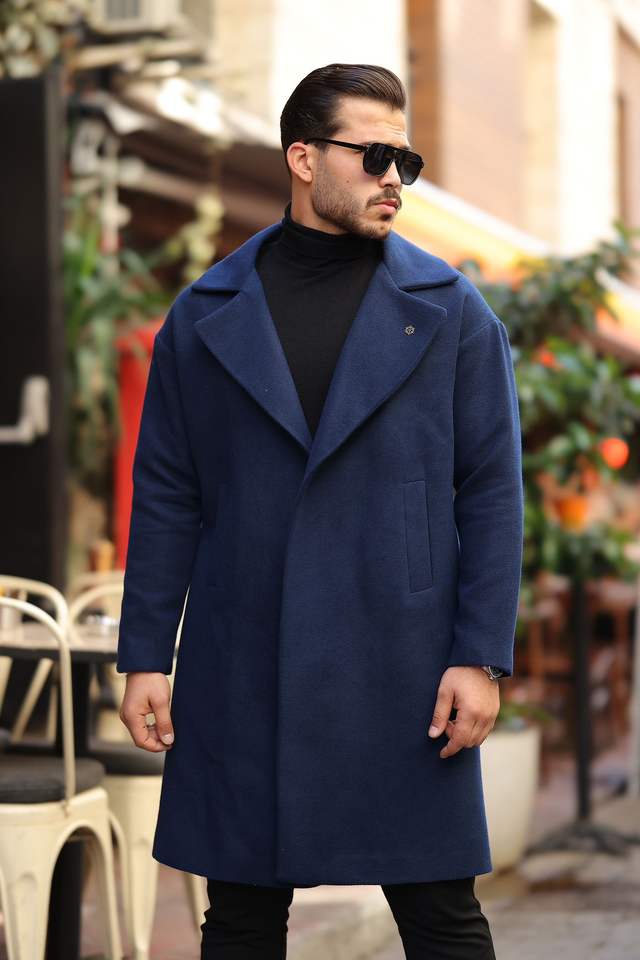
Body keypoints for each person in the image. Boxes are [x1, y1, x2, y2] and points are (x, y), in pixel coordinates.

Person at [117, 62, 524, 959]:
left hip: (406, 664)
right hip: (244, 658)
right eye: (373, 155)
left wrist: (480, 654)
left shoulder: (450, 310)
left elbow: (493, 489)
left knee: (443, 919)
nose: (394, 177)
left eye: (405, 160)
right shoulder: (205, 313)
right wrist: (146, 652)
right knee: (241, 921)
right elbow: (170, 492)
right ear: (303, 158)